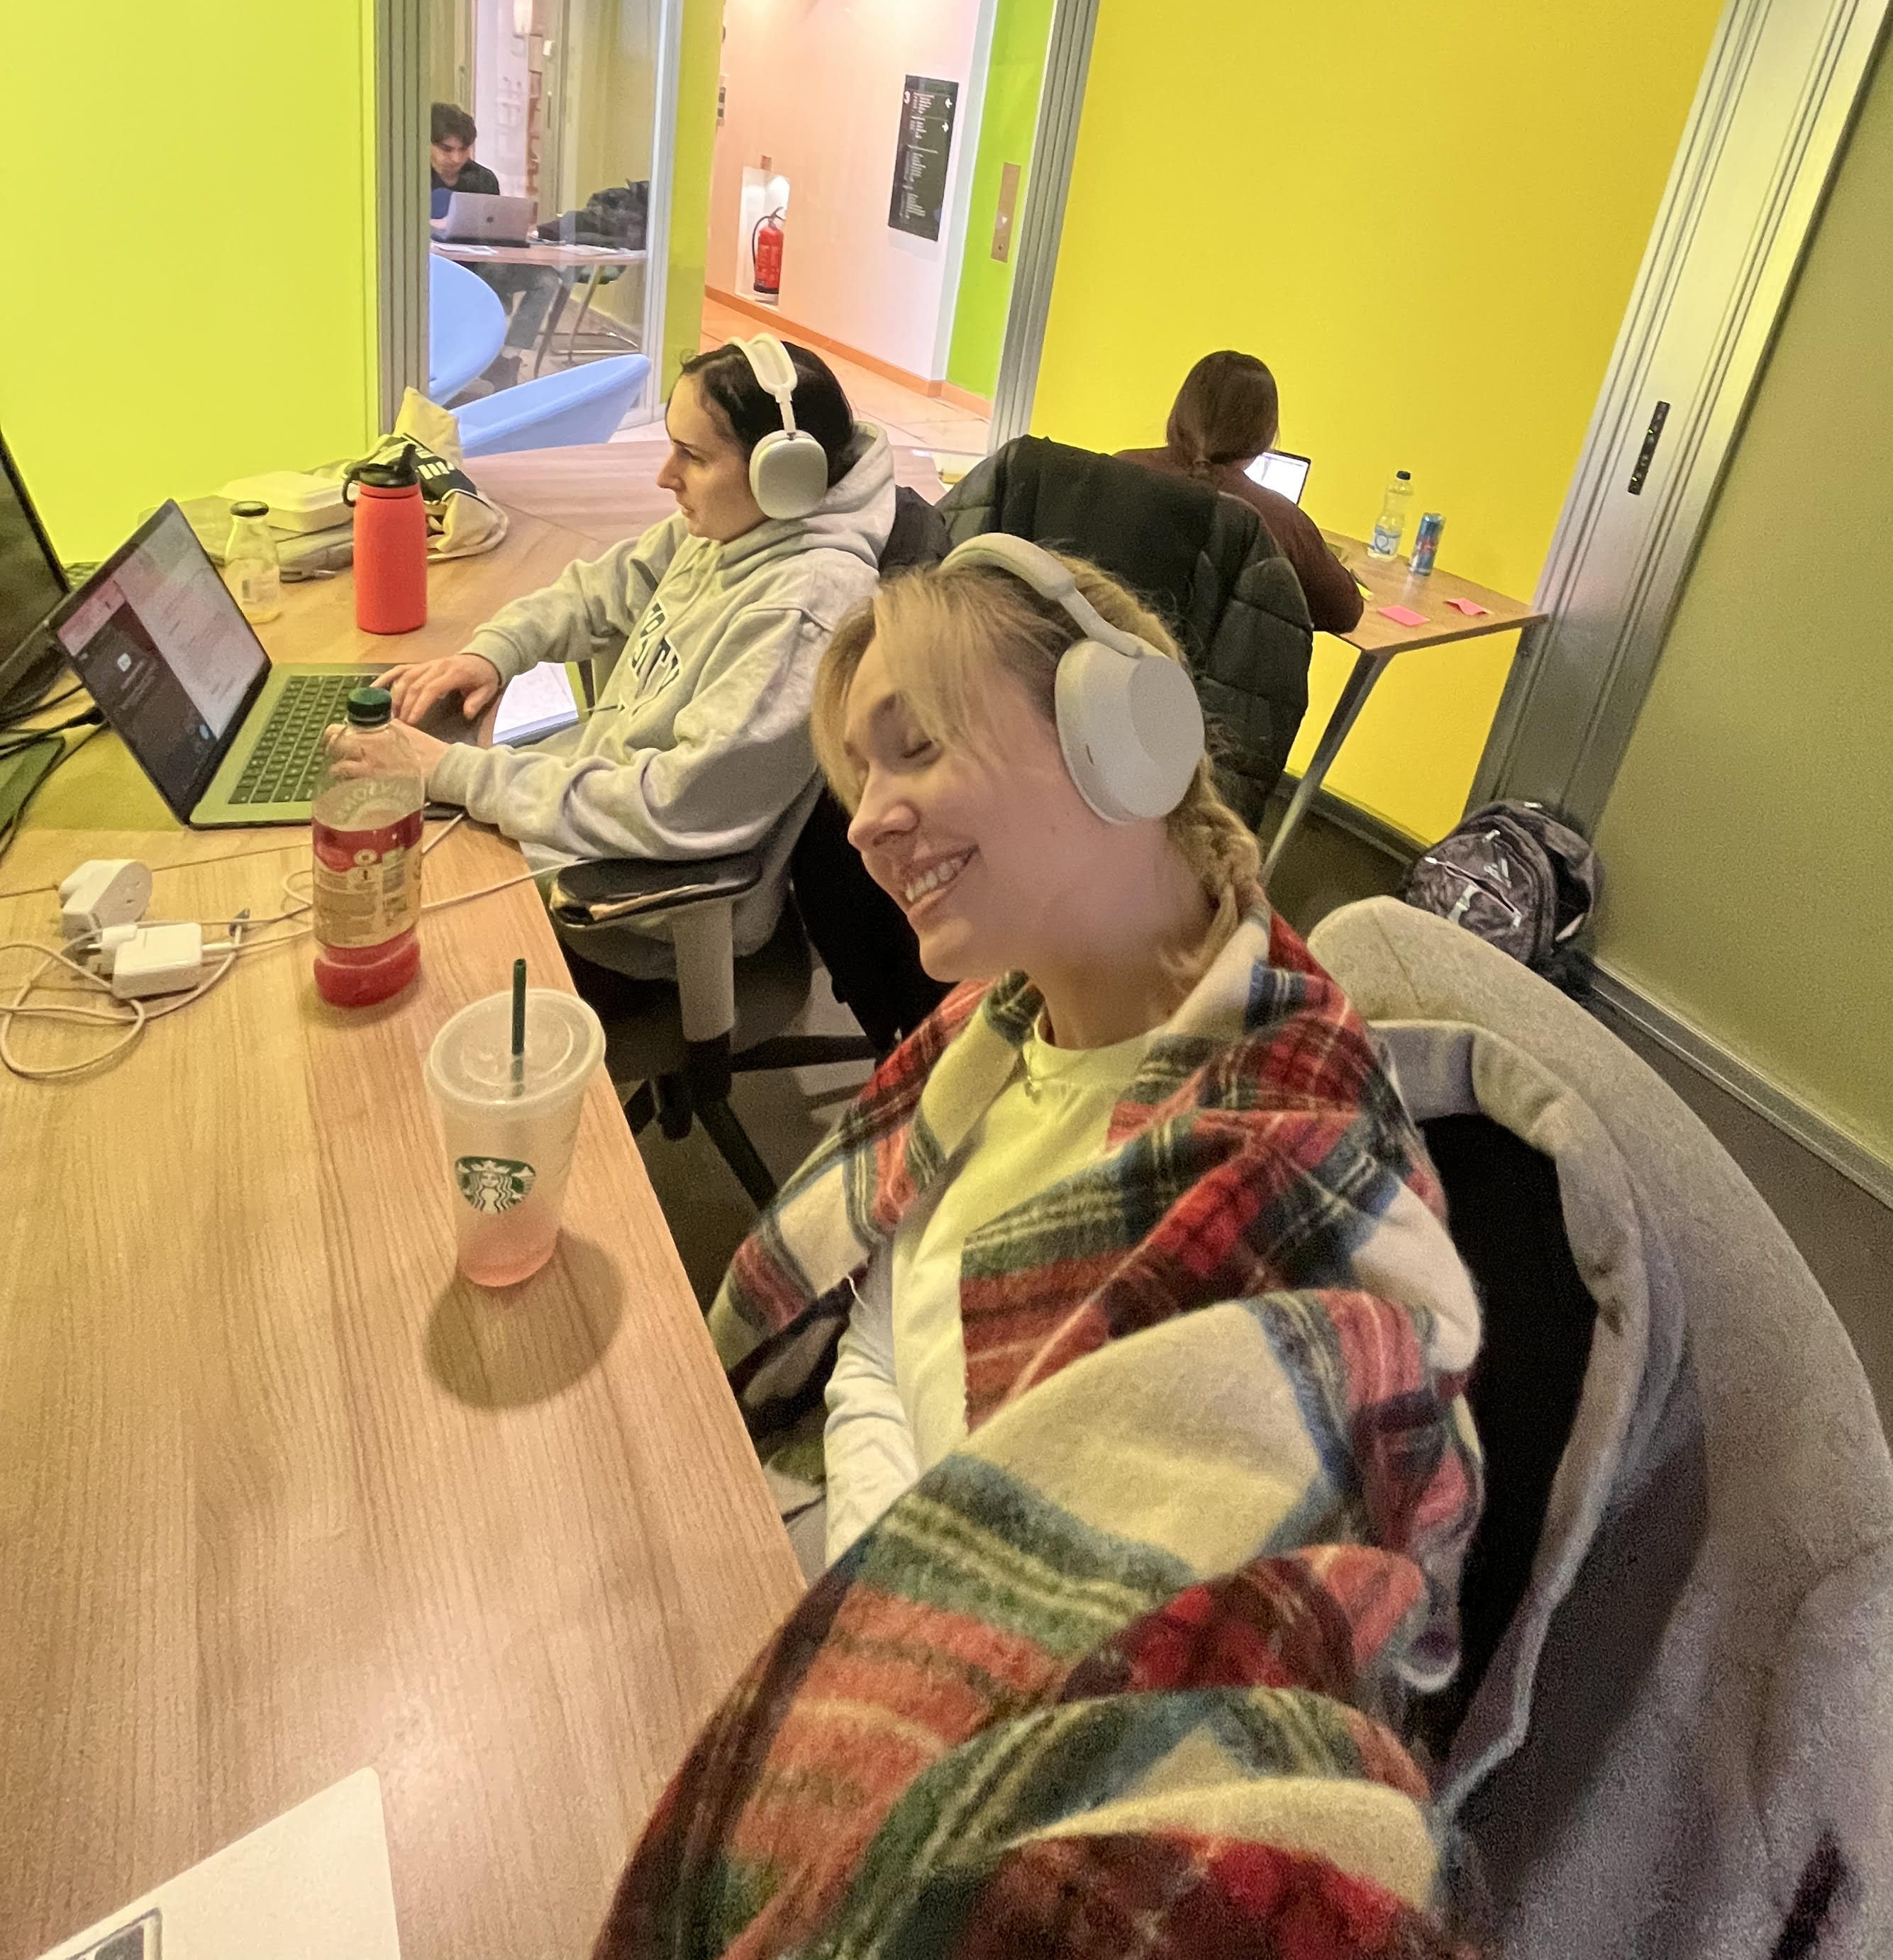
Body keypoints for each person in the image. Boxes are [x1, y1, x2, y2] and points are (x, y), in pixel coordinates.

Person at [593, 536, 1484, 1958]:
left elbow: (1225, 1757)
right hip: (812, 1554)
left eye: (915, 750)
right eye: (856, 777)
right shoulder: (996, 1031)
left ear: (1124, 739)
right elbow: (878, 1327)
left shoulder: (1286, 1152)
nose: (871, 823)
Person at [324, 340, 893, 976]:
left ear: (783, 477)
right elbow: (599, 591)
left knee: (372, 898)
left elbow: (676, 807)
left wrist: (455, 773)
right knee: (366, 844)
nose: (665, 475)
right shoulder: (736, 525)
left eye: (693, 456)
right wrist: (494, 655)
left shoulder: (803, 611)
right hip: (593, 820)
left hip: (633, 906)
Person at [1118, 347, 1365, 634]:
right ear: (1267, 433)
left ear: (1180, 413)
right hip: (1206, 677)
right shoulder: (1280, 519)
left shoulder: (1121, 467)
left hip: (1101, 662)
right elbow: (1345, 614)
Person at [429, 99, 500, 214]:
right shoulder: (412, 180)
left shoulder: (485, 179)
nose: (456, 159)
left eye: (464, 149)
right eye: (447, 150)